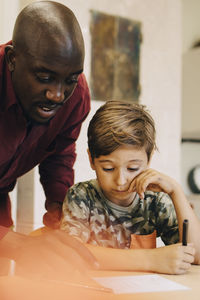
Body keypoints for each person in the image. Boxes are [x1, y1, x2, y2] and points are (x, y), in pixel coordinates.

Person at [0, 1, 98, 277]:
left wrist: (60, 208)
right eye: (45, 77)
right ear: (12, 59)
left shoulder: (75, 95)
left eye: (69, 79)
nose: (57, 95)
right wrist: (19, 245)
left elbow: (59, 152)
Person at [61, 100, 200, 275]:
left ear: (148, 160)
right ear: (91, 160)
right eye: (108, 168)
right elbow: (71, 253)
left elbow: (196, 255)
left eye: (132, 168)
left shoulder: (155, 201)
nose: (120, 181)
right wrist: (151, 259)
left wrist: (176, 191)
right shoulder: (81, 196)